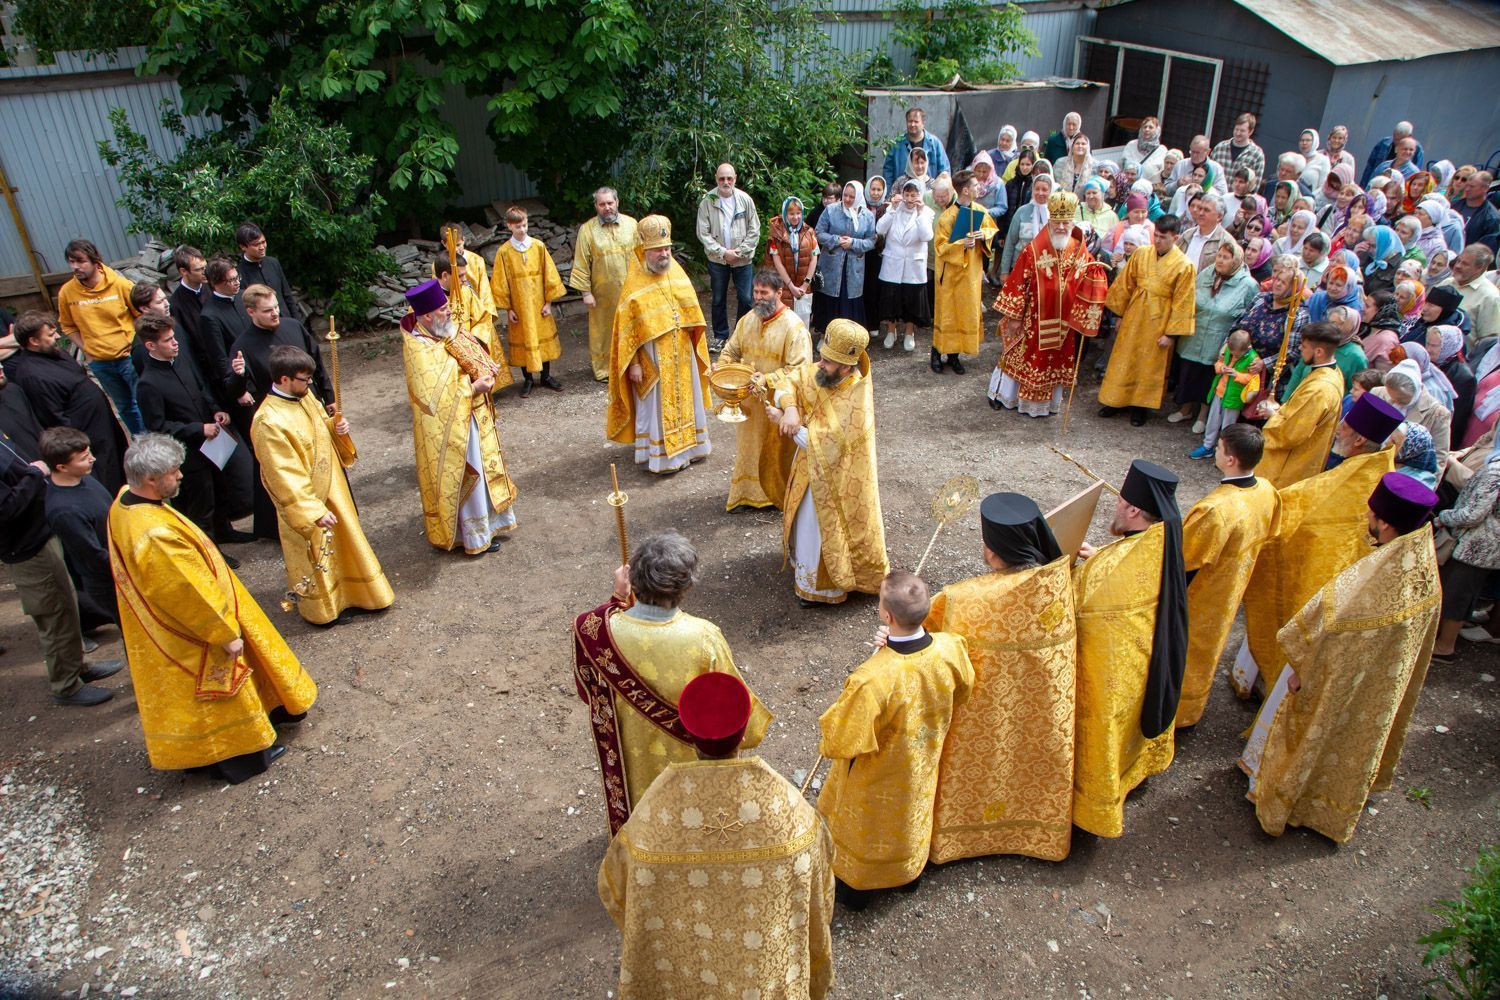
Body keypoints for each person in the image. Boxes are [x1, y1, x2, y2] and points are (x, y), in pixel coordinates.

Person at [598, 670, 831, 1000]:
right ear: (743, 734)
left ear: (689, 736)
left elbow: (617, 886)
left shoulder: (655, 810)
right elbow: (819, 885)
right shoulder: (789, 809)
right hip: (762, 975)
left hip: (682, 973)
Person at [1241, 473, 1439, 844]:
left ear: (1384, 523)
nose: (1366, 515)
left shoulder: (1371, 589)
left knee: (1307, 732)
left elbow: (1329, 630)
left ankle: (1277, 793)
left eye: (1371, 512)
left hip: (1330, 678)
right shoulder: (1421, 561)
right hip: (1376, 687)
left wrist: (1303, 670)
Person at [109, 433, 316, 783]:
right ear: (151, 479)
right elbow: (186, 591)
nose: (180, 476)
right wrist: (223, 632)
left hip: (176, 628)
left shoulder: (124, 503)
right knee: (219, 691)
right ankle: (241, 754)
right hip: (197, 632)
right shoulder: (155, 535)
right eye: (173, 472)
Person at [573, 532, 772, 832]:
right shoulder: (703, 637)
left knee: (643, 814)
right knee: (687, 816)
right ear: (685, 586)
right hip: (688, 757)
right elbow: (730, 706)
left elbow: (588, 691)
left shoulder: (599, 630)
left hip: (630, 754)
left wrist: (616, 599)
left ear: (632, 579)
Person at [925, 492, 1077, 863]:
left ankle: (961, 839)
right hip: (1041, 720)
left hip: (985, 721)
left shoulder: (964, 599)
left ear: (992, 551)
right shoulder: (1058, 584)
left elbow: (931, 644)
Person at [817, 571, 973, 908]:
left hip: (877, 775)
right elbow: (963, 691)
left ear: (887, 616)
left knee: (870, 825)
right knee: (911, 814)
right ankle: (908, 875)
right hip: (923, 759)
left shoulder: (873, 678)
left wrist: (877, 660)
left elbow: (841, 740)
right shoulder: (950, 647)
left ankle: (858, 890)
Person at [1233, 393, 1404, 697]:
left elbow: (1302, 508)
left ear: (1359, 440)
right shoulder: (1375, 468)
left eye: (1345, 427)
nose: (1337, 430)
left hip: (1314, 580)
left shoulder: (1362, 479)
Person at [1072, 460, 1187, 838]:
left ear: (1135, 510)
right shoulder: (1163, 540)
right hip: (1149, 662)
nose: (1117, 506)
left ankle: (1097, 804)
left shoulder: (1108, 570)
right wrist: (1102, 556)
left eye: (1121, 501)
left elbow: (1078, 610)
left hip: (1112, 676)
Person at [251, 345, 394, 626]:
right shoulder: (268, 422)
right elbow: (282, 473)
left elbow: (318, 431)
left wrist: (335, 428)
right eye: (304, 379)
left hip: (333, 488)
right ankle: (326, 610)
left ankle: (359, 595)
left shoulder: (304, 396)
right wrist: (312, 510)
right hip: (310, 501)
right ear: (284, 379)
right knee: (319, 554)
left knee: (347, 542)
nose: (310, 384)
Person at [0, 410, 122, 705]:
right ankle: (66, 686)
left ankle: (78, 666)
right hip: (26, 548)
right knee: (54, 616)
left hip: (40, 536)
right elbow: (5, 509)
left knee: (67, 607)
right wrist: (34, 475)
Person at [763, 320, 888, 606]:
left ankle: (822, 590)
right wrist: (790, 409)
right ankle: (803, 572)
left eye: (828, 362)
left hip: (835, 483)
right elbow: (791, 379)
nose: (819, 364)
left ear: (846, 368)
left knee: (819, 530)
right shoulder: (823, 373)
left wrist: (786, 423)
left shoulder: (856, 397)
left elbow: (826, 447)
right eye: (821, 356)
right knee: (804, 527)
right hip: (809, 469)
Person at [400, 280, 518, 555]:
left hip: (473, 414)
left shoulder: (443, 329)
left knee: (484, 469)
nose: (450, 312)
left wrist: (484, 365)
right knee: (468, 472)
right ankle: (474, 537)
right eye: (443, 309)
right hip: (452, 427)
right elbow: (433, 398)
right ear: (426, 316)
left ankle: (491, 523)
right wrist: (472, 388)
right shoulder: (419, 348)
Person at [1175, 424, 1280, 727]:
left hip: (1202, 594)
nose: (1217, 452)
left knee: (1186, 649)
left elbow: (1183, 558)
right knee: (1208, 649)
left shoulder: (1216, 509)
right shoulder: (1267, 490)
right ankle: (1192, 708)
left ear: (1230, 459)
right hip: (1233, 588)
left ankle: (1175, 712)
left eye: (1219, 448)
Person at [133, 313, 255, 550]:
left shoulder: (180, 362)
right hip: (188, 454)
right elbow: (158, 427)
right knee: (202, 503)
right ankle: (209, 550)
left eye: (174, 337)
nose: (175, 343)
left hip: (211, 443)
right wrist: (198, 429)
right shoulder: (148, 384)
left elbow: (201, 390)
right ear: (150, 346)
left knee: (221, 491)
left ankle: (225, 531)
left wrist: (216, 410)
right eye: (168, 340)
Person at [607, 215, 714, 475]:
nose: (664, 254)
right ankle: (663, 458)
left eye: (667, 249)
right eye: (658, 250)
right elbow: (627, 331)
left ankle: (693, 449)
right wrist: (634, 363)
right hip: (653, 356)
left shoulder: (676, 272)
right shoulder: (634, 282)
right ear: (645, 251)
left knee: (688, 400)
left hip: (682, 352)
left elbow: (692, 311)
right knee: (656, 407)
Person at [991, 190, 1109, 416]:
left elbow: (1089, 276)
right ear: (1050, 221)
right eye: (1057, 222)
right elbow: (1018, 282)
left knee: (1055, 361)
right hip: (1033, 319)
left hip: (1064, 322)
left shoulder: (1080, 249)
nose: (1062, 227)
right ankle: (1008, 397)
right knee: (1019, 357)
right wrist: (1015, 316)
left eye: (1066, 222)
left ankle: (1046, 405)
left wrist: (1096, 277)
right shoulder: (1034, 250)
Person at [4, 312, 127, 495]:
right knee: (108, 484)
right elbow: (54, 418)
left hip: (104, 429)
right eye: (50, 334)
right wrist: (80, 446)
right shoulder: (32, 375)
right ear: (34, 341)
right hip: (90, 441)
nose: (57, 337)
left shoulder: (54, 352)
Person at [719, 270, 812, 512]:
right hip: (749, 402)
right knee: (748, 448)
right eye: (756, 292)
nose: (758, 297)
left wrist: (768, 379)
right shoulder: (747, 320)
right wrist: (723, 368)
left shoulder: (794, 327)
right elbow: (731, 350)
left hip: (778, 404)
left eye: (764, 292)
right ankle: (746, 495)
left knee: (773, 451)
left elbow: (800, 370)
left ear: (779, 293)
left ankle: (775, 496)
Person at [1099, 215, 1197, 426]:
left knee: (1149, 365)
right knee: (1124, 357)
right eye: (1156, 236)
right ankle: (1115, 399)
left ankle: (1140, 407)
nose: (1158, 240)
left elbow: (1183, 301)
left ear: (1175, 238)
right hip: (1134, 314)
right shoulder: (1141, 253)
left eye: (1163, 237)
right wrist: (1118, 314)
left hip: (1159, 321)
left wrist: (1171, 334)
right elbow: (1125, 284)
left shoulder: (1184, 265)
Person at [52, 239, 143, 434]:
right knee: (124, 407)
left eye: (81, 261)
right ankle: (140, 441)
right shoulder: (67, 292)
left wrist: (137, 347)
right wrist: (86, 350)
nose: (75, 267)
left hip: (128, 357)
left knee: (143, 402)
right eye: (71, 262)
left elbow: (140, 315)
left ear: (95, 261)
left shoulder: (120, 284)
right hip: (100, 362)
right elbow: (67, 326)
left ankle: (157, 441)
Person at [38, 427, 118, 632]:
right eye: (83, 458)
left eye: (89, 453)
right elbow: (93, 557)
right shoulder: (64, 511)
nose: (92, 459)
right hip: (110, 581)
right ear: (62, 467)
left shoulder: (84, 477)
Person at [1179, 241, 1260, 437]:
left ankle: (1202, 416)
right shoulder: (1207, 274)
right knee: (1190, 373)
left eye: (1226, 257)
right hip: (1197, 334)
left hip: (1220, 338)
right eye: (1219, 256)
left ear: (1236, 260)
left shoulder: (1248, 284)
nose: (1220, 260)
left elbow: (1250, 313)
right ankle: (1185, 409)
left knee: (1210, 378)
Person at [1257, 321, 1345, 488]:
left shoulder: (1319, 389)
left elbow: (1291, 433)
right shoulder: (1333, 372)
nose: (1299, 349)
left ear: (1319, 351)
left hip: (1290, 464)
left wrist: (1272, 415)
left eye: (1304, 346)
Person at [1432, 443, 1500, 660]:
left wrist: (1444, 517)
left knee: (1457, 596)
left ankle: (1445, 647)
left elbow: (1473, 514)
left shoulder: (1495, 471)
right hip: (1486, 545)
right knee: (1461, 593)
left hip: (1475, 545)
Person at [491, 205, 567, 397]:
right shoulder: (504, 252)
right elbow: (500, 282)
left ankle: (546, 376)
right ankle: (528, 379)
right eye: (518, 227)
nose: (522, 230)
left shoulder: (538, 247)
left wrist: (548, 303)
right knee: (524, 339)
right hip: (519, 309)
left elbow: (550, 275)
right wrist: (508, 309)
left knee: (542, 340)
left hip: (539, 306)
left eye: (525, 225)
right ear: (509, 226)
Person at [931, 168, 997, 374]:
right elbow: (940, 247)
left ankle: (954, 356)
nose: (979, 188)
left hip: (971, 275)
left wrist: (983, 235)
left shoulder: (980, 211)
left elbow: (991, 229)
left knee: (964, 313)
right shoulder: (947, 217)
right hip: (950, 275)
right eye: (975, 185)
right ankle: (936, 353)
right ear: (966, 190)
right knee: (947, 314)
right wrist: (962, 244)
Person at [230, 283, 333, 408]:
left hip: (312, 403)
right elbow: (236, 391)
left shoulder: (294, 326)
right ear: (251, 312)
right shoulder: (243, 346)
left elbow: (318, 364)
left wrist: (329, 398)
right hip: (278, 413)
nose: (275, 313)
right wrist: (239, 375)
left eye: (276, 307)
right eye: (267, 310)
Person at [695, 163, 761, 350]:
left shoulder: (745, 200)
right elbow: (703, 233)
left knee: (746, 298)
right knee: (718, 299)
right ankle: (720, 336)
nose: (726, 182)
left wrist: (739, 252)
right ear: (716, 179)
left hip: (743, 260)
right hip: (717, 260)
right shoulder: (708, 201)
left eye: (729, 178)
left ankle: (741, 338)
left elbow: (754, 230)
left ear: (735, 178)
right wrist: (723, 252)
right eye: (722, 178)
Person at [875, 180, 934, 352]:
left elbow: (926, 236)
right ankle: (891, 331)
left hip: (913, 264)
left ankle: (909, 333)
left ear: (919, 195)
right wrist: (892, 210)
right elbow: (880, 229)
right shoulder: (893, 209)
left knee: (912, 300)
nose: (909, 199)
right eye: (907, 195)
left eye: (913, 195)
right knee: (891, 299)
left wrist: (920, 213)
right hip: (893, 262)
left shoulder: (927, 212)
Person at [434, 255, 510, 384]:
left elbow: (483, 317)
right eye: (460, 276)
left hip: (470, 352)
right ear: (445, 275)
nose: (465, 279)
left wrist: (473, 341)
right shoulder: (429, 301)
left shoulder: (466, 292)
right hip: (445, 358)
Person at [814, 180, 875, 327]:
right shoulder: (831, 210)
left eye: (851, 197)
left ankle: (848, 336)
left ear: (858, 197)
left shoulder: (867, 216)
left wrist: (853, 243)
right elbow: (818, 233)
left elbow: (871, 241)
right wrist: (837, 240)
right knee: (829, 299)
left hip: (853, 267)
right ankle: (826, 333)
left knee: (849, 301)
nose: (847, 199)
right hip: (831, 265)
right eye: (845, 195)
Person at [765, 196, 820, 328]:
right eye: (791, 214)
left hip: (803, 287)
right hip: (783, 286)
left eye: (798, 213)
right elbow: (777, 262)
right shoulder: (776, 234)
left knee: (802, 325)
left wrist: (805, 284)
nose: (795, 217)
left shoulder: (809, 232)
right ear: (785, 214)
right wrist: (791, 286)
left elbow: (814, 258)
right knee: (783, 324)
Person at [1438, 245, 1500, 353]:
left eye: (1465, 264)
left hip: (1460, 358)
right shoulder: (1446, 283)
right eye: (1458, 261)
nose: (1458, 266)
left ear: (1479, 268)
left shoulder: (1490, 297)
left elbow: (1488, 342)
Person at [235, 222, 299, 318]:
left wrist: (297, 322)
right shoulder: (239, 274)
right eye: (256, 244)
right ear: (243, 246)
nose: (262, 247)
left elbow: (287, 295)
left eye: (263, 242)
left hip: (286, 319)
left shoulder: (273, 263)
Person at [169, 245, 209, 365]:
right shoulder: (175, 304)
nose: (205, 272)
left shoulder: (213, 288)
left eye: (205, 267)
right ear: (183, 271)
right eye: (198, 270)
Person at [1210, 114, 1266, 192]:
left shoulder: (1257, 155)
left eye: (1242, 131)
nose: (1238, 133)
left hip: (1238, 198)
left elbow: (1255, 186)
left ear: (1251, 131)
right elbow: (1209, 172)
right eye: (1236, 129)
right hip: (1216, 196)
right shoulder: (1220, 148)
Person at [1456, 171, 1499, 251]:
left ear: (1485, 188)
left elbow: (1487, 248)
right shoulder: (1454, 205)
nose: (1467, 189)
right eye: (1467, 185)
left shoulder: (1491, 218)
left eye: (1472, 186)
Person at [1122, 116, 1168, 183]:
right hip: (1128, 185)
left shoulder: (1162, 150)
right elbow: (1121, 166)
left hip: (1149, 187)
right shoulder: (1131, 145)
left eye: (1151, 127)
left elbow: (1163, 173)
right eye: (1145, 127)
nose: (1147, 129)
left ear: (1157, 130)